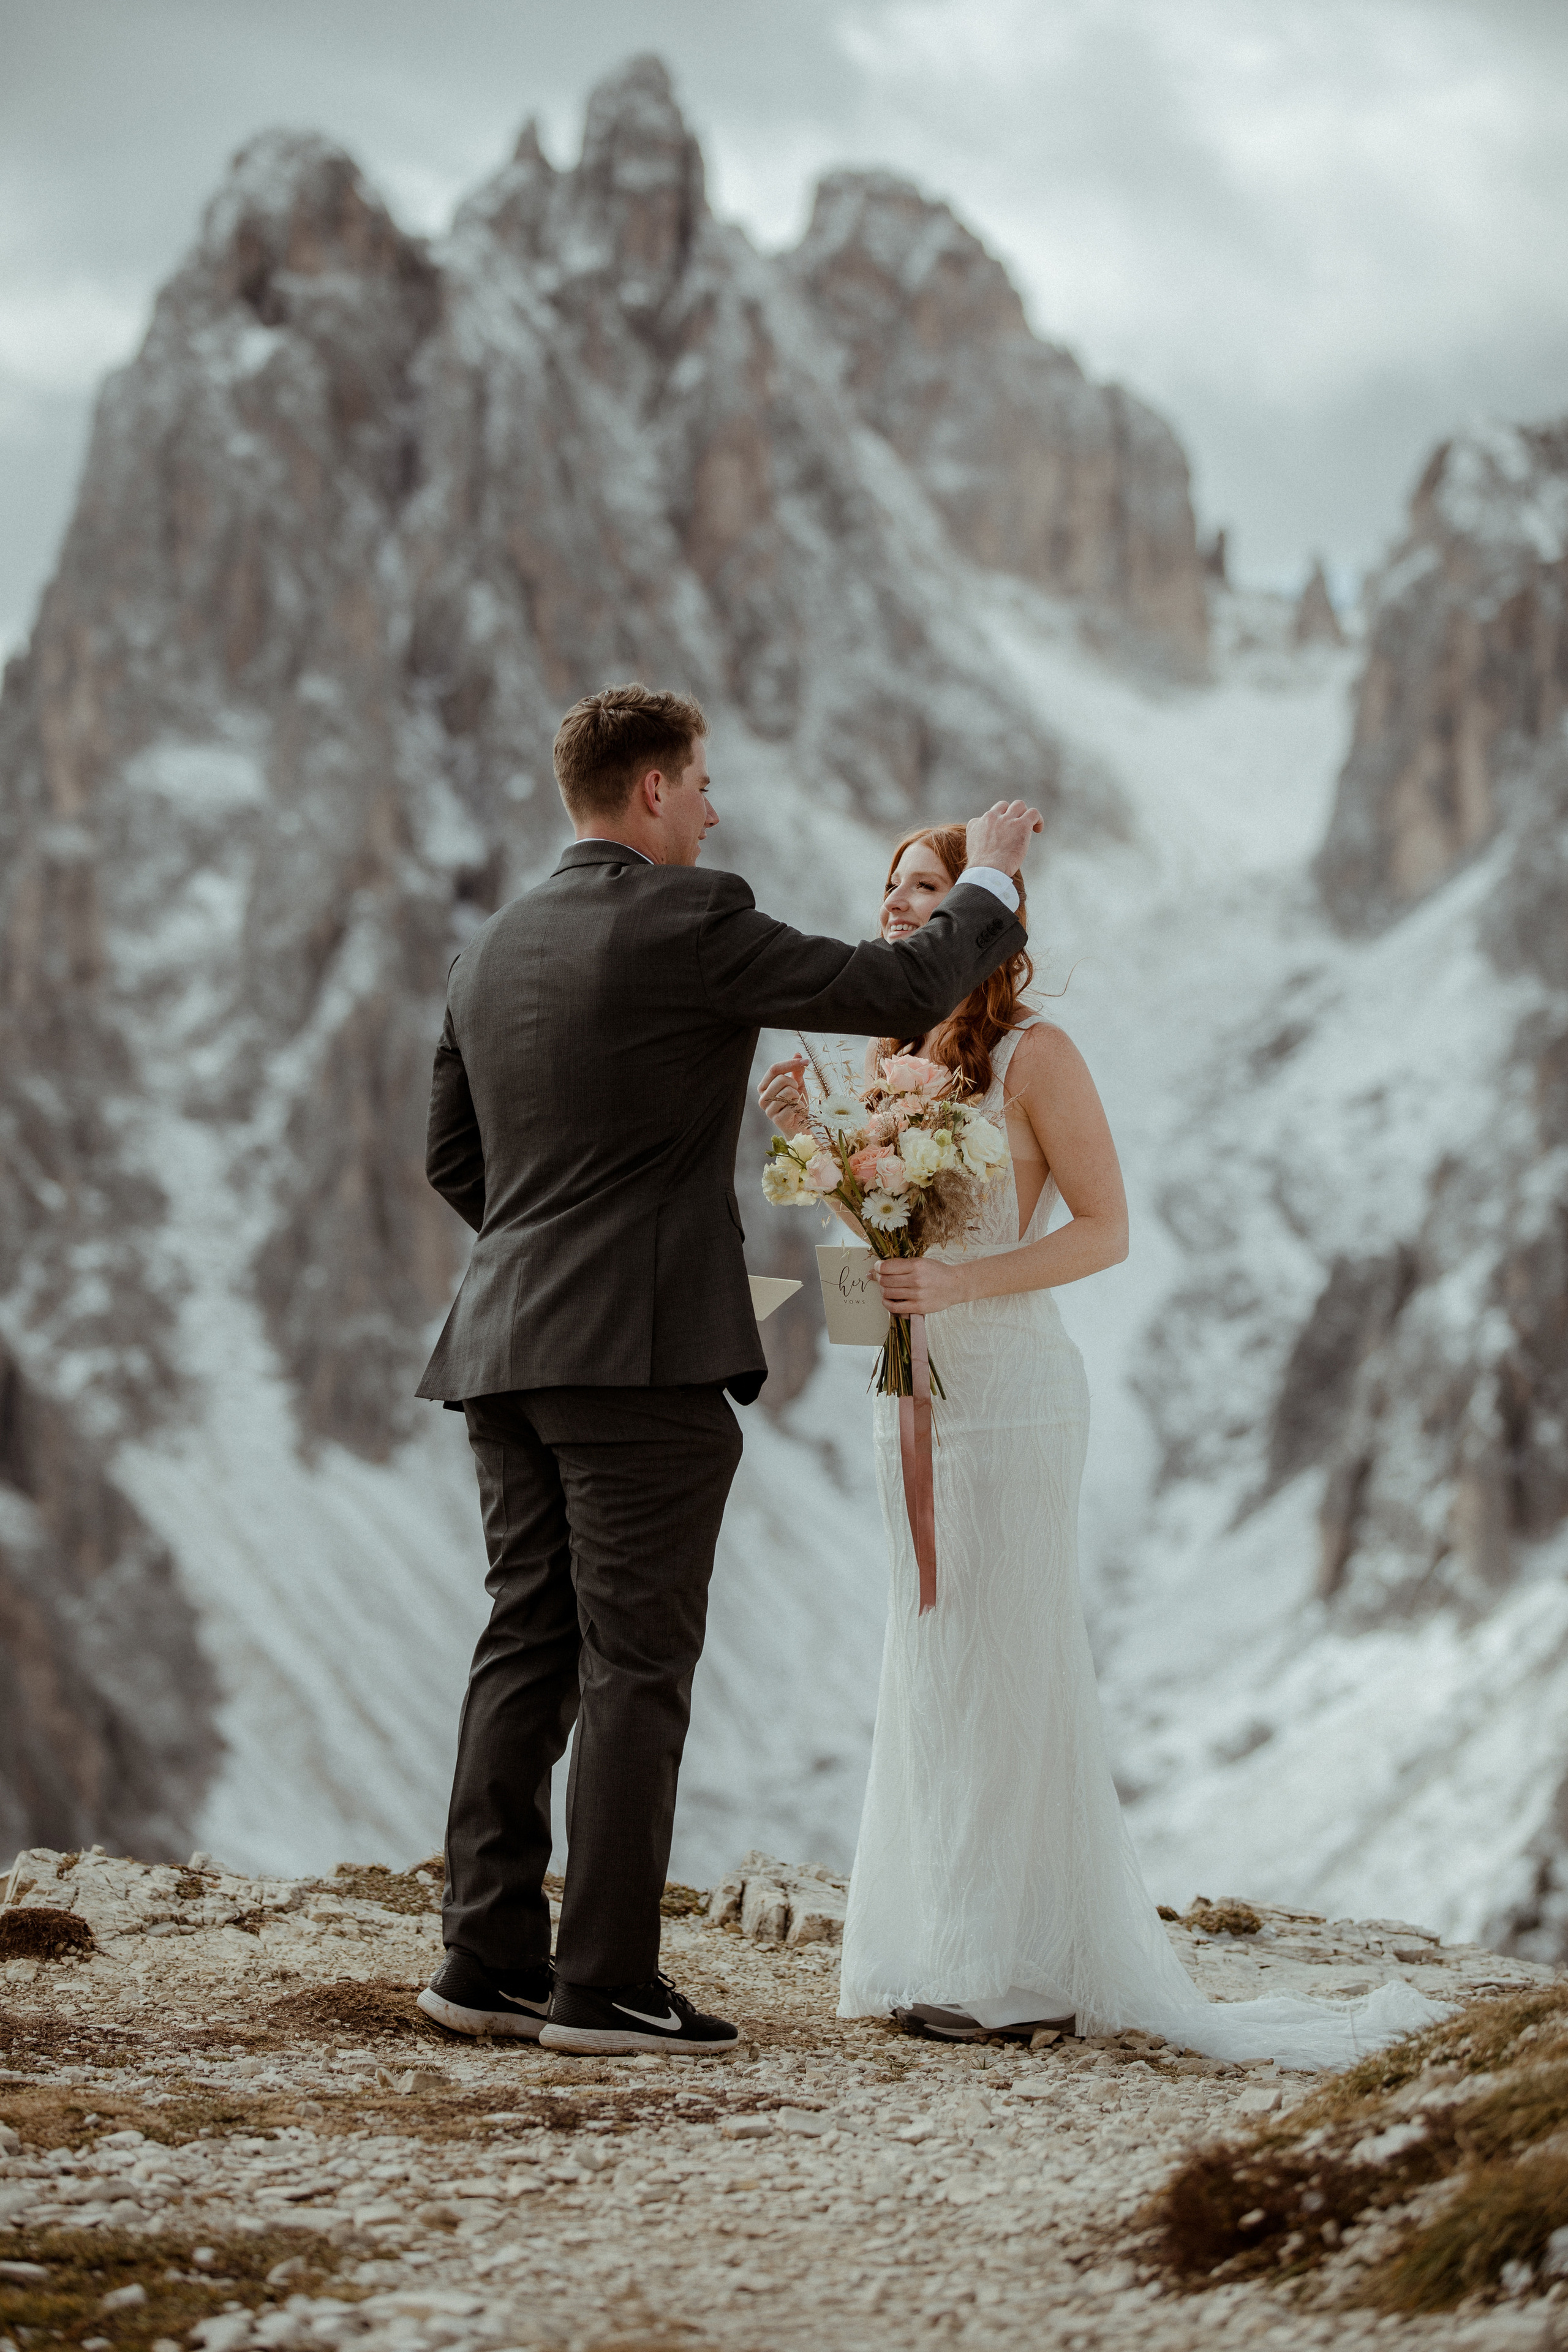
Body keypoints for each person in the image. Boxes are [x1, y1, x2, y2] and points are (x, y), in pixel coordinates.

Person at [414, 684, 1042, 2057]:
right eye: (701, 784)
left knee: (523, 1643)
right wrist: (990, 874)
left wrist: (548, 1257)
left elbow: (454, 1164)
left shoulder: (488, 949)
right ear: (652, 791)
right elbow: (894, 989)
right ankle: (606, 1987)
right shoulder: (692, 917)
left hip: (502, 1346)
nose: (714, 809)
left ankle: (484, 1963)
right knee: (636, 1665)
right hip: (639, 1361)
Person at [758, 823, 1440, 2065]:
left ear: (985, 911)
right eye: (891, 887)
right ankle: (935, 1945)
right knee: (930, 1651)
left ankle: (1018, 1970)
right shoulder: (884, 1061)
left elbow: (1105, 1228)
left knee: (1006, 1650)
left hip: (1014, 1389)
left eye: (926, 886)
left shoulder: (1036, 1056)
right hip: (908, 1400)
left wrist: (962, 1287)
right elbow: (866, 1271)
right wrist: (810, 1150)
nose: (899, 905)